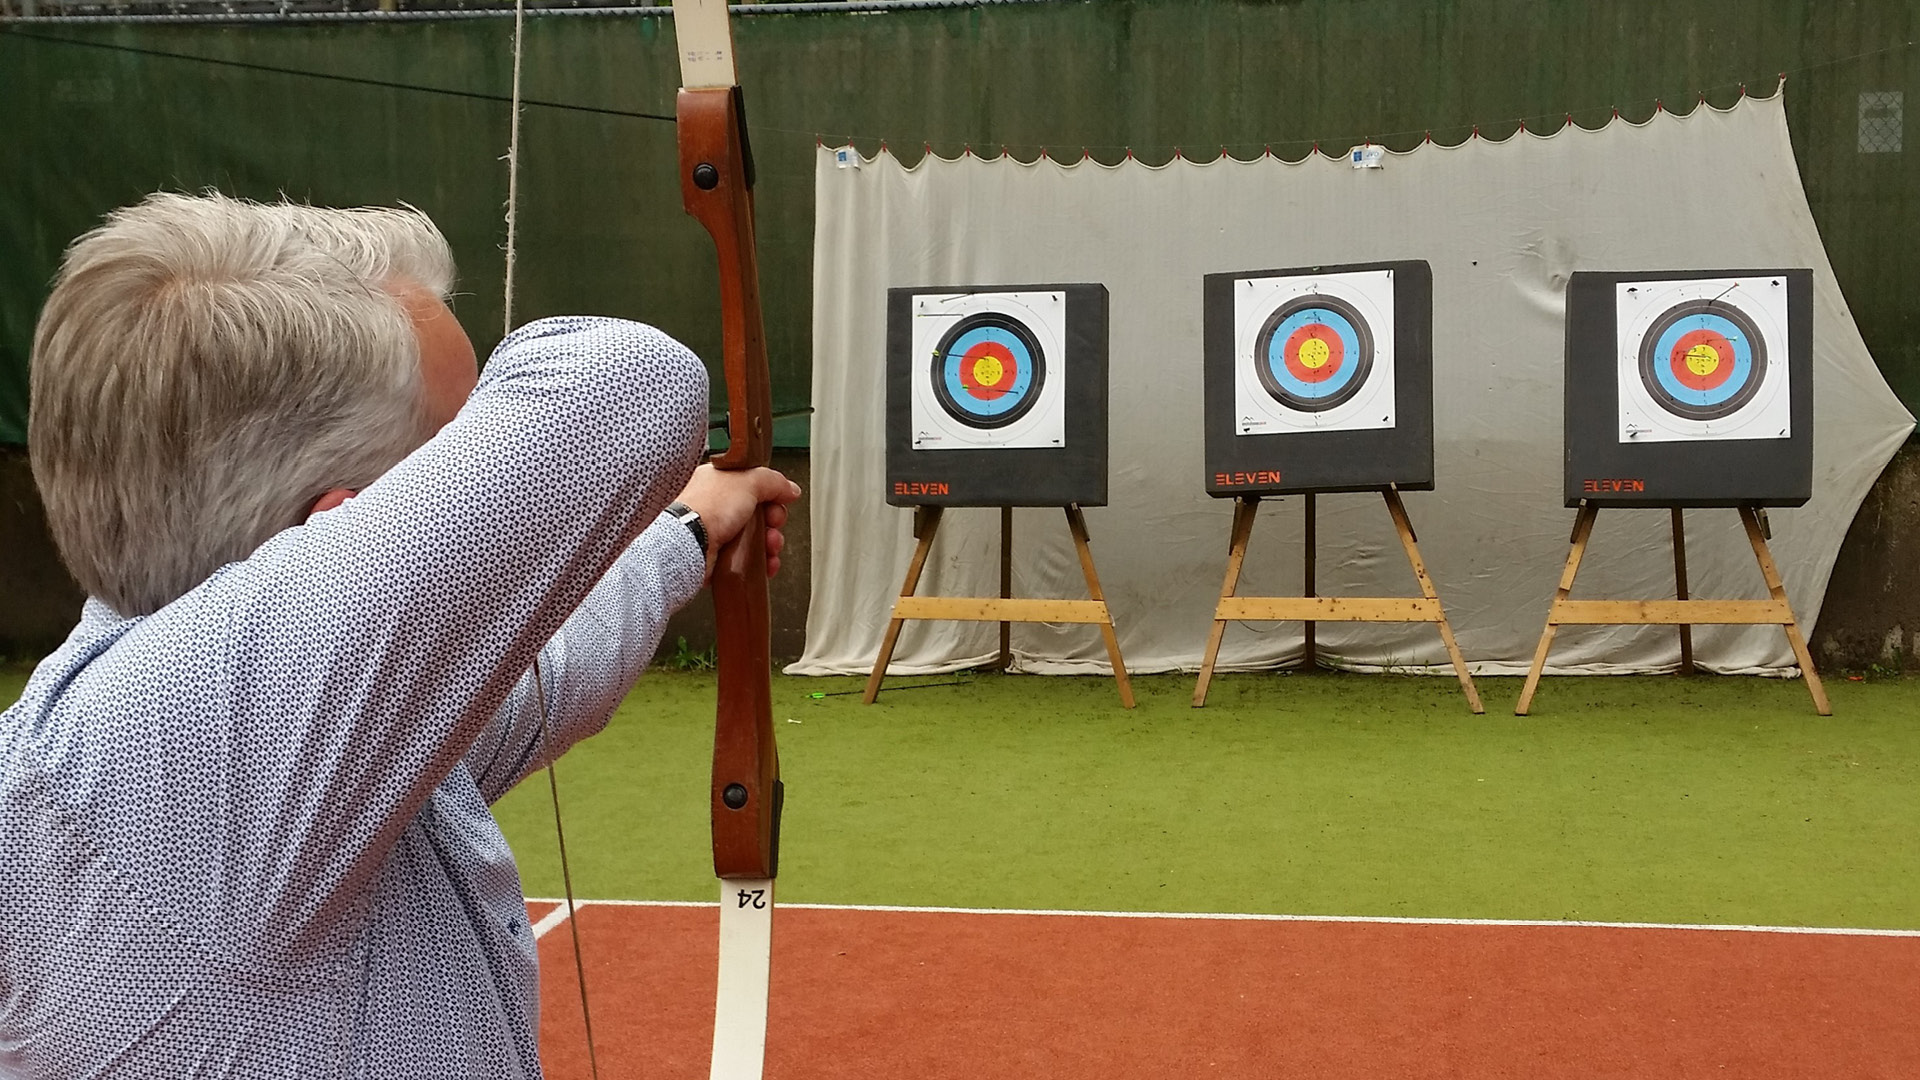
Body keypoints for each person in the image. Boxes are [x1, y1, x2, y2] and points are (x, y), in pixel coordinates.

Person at [0, 192, 800, 1076]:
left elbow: (536, 682)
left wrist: (685, 529)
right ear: (339, 536)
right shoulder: (184, 741)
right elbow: (634, 384)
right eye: (457, 449)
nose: (477, 483)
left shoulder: (304, 735)